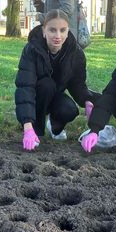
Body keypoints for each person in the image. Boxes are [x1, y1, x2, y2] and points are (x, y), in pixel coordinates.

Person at [15, 9, 96, 151]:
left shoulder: (76, 53)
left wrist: (87, 101)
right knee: (47, 85)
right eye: (52, 30)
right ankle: (36, 130)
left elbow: (77, 84)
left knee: (70, 110)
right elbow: (25, 87)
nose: (58, 36)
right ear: (43, 31)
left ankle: (55, 126)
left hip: (56, 94)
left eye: (62, 30)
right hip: (37, 95)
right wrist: (27, 126)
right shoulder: (31, 50)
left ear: (67, 31)